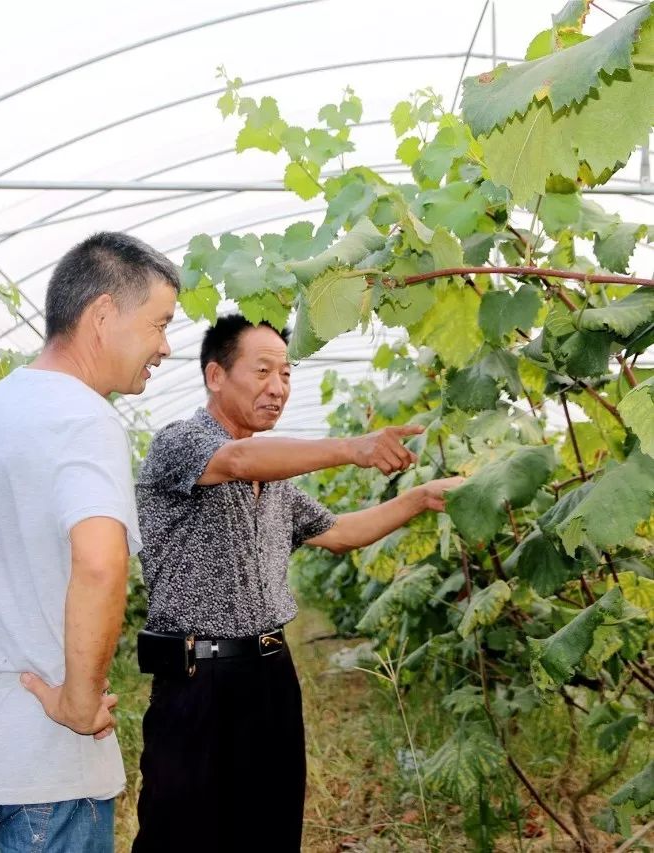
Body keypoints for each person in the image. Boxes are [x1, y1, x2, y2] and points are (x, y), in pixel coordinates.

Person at [132, 315, 463, 852]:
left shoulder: (276, 483)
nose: (278, 388)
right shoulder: (181, 444)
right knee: (182, 835)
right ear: (215, 375)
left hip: (270, 674)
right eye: (262, 371)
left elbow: (340, 533)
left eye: (286, 374)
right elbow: (238, 460)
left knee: (271, 828)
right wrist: (353, 448)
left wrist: (419, 498)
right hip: (196, 680)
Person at [0, 232, 178, 853]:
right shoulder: (83, 416)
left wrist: (0, 601)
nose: (165, 347)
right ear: (102, 315)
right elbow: (101, 562)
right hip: (46, 768)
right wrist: (79, 704)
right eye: (159, 324)